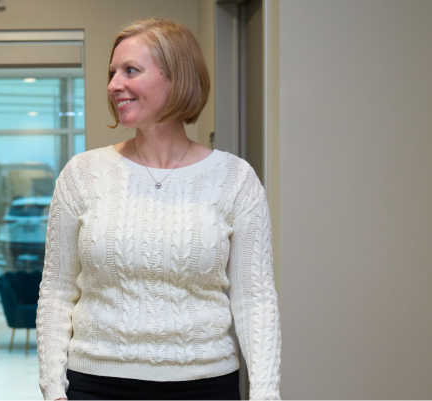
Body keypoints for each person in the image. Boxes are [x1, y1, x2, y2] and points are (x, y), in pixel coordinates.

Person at [36, 19, 281, 401]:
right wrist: (53, 388)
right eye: (112, 73)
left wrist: (266, 393)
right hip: (95, 384)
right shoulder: (82, 174)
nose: (114, 84)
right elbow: (56, 290)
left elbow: (254, 299)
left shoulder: (235, 178)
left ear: (177, 78)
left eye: (130, 70)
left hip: (206, 386)